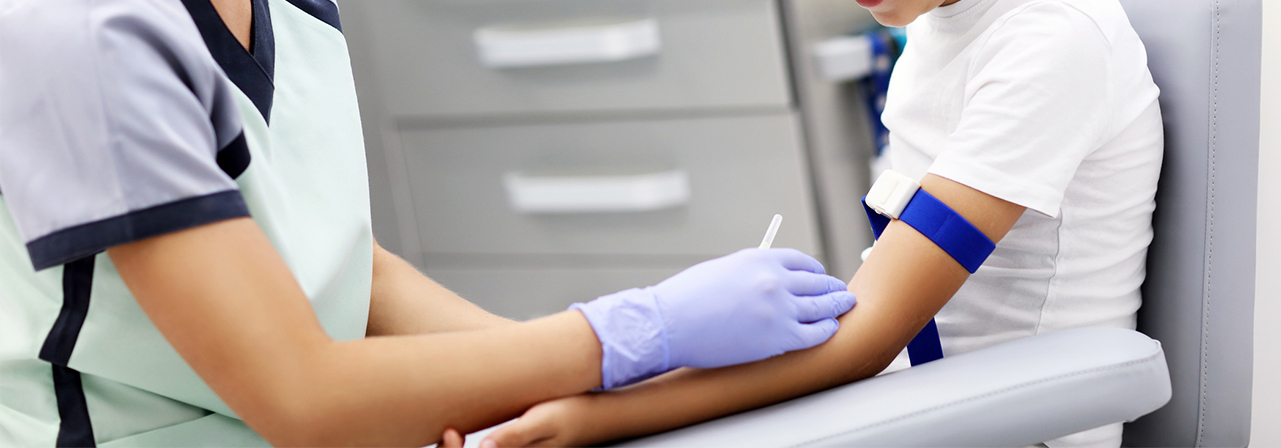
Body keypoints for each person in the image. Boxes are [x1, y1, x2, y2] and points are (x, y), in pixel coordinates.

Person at [0, 0, 858, 446]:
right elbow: (305, 402)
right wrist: (629, 334)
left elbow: (341, 266)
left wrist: (548, 382)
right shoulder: (76, 35)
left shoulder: (291, 13)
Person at [470, 0, 1163, 446]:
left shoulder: (1049, 44)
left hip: (1024, 424)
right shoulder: (933, 34)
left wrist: (600, 416)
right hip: (924, 391)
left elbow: (869, 337)